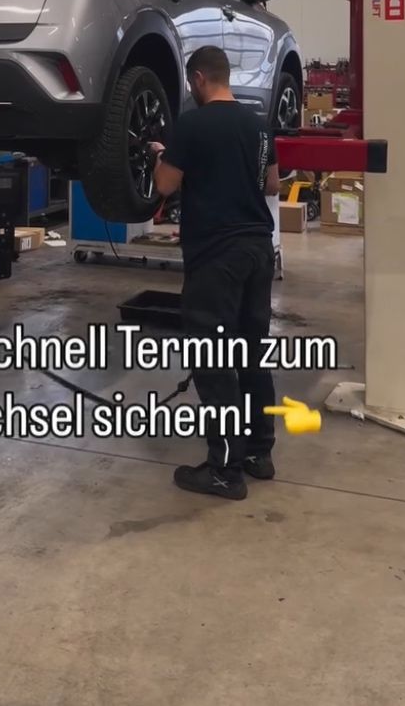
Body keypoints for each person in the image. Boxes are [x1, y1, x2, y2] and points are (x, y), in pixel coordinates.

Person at [150, 45, 281, 502]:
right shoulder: (258, 125)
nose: (191, 89)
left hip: (216, 256)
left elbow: (165, 184)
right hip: (258, 251)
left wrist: (161, 156)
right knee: (250, 354)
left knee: (214, 362)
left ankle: (224, 470)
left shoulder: (193, 123)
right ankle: (258, 454)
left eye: (191, 83)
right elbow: (271, 184)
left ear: (200, 78)